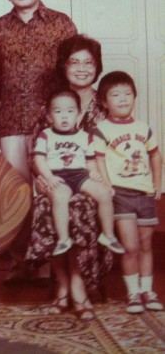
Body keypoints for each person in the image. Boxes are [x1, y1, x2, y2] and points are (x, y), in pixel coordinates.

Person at [26, 34, 113, 321]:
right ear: (63, 67)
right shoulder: (52, 106)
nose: (81, 68)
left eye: (88, 63)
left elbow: (115, 154)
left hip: (94, 181)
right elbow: (35, 154)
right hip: (56, 182)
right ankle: (64, 283)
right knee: (48, 203)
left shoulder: (106, 106)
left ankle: (74, 284)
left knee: (80, 207)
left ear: (97, 67)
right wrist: (40, 178)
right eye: (74, 62)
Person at [0, 0, 77, 181]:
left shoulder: (61, 23)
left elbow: (74, 72)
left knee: (50, 189)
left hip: (52, 123)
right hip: (10, 124)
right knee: (15, 196)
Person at [94, 71, 163, 313]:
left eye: (127, 94)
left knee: (146, 244)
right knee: (130, 246)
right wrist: (106, 184)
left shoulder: (144, 129)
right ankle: (133, 292)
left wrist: (157, 184)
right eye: (115, 95)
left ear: (134, 97)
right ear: (104, 102)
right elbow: (98, 159)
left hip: (144, 194)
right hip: (120, 195)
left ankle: (148, 290)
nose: (122, 99)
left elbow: (156, 156)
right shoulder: (101, 130)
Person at [32, 89, 124, 256]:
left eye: (70, 111)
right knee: (60, 196)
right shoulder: (45, 136)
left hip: (80, 175)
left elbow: (90, 161)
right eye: (58, 112)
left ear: (78, 114)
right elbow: (39, 160)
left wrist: (95, 173)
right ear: (49, 117)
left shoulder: (85, 137)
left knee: (104, 192)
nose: (64, 116)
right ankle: (63, 239)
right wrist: (49, 177)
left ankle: (108, 234)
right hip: (58, 176)